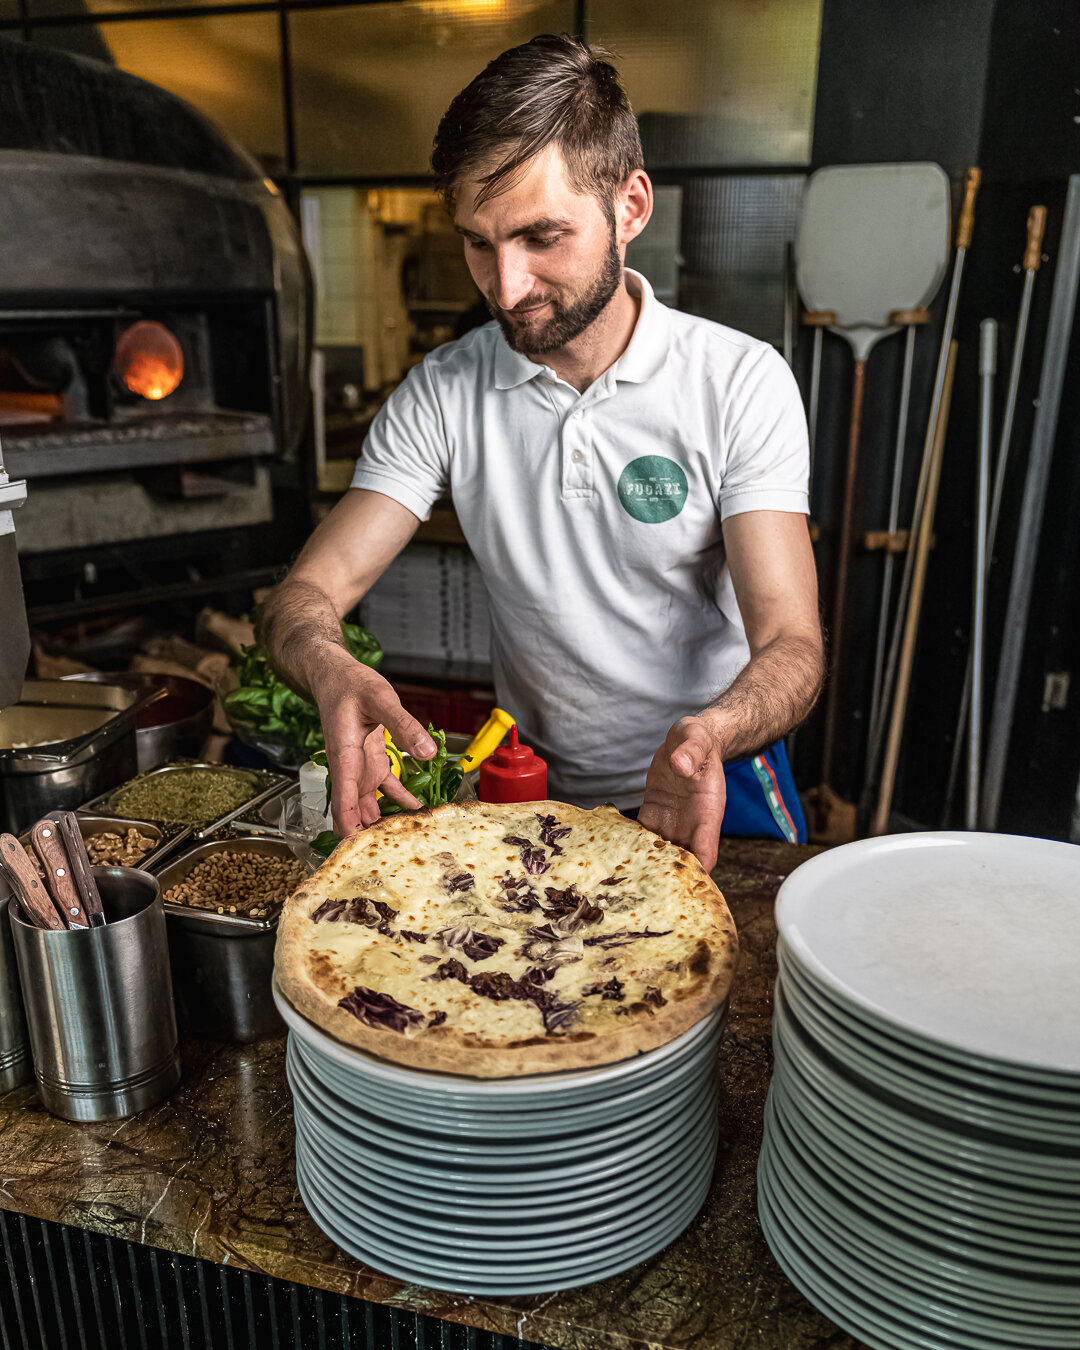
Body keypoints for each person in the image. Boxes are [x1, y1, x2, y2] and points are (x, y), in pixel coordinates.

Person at [262, 34, 824, 872]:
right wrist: (330, 667)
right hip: (531, 785)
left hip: (716, 776)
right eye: (478, 243)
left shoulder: (738, 382)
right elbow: (304, 596)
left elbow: (792, 644)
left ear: (630, 207)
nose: (506, 286)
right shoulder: (444, 391)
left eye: (540, 237)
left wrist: (711, 733)